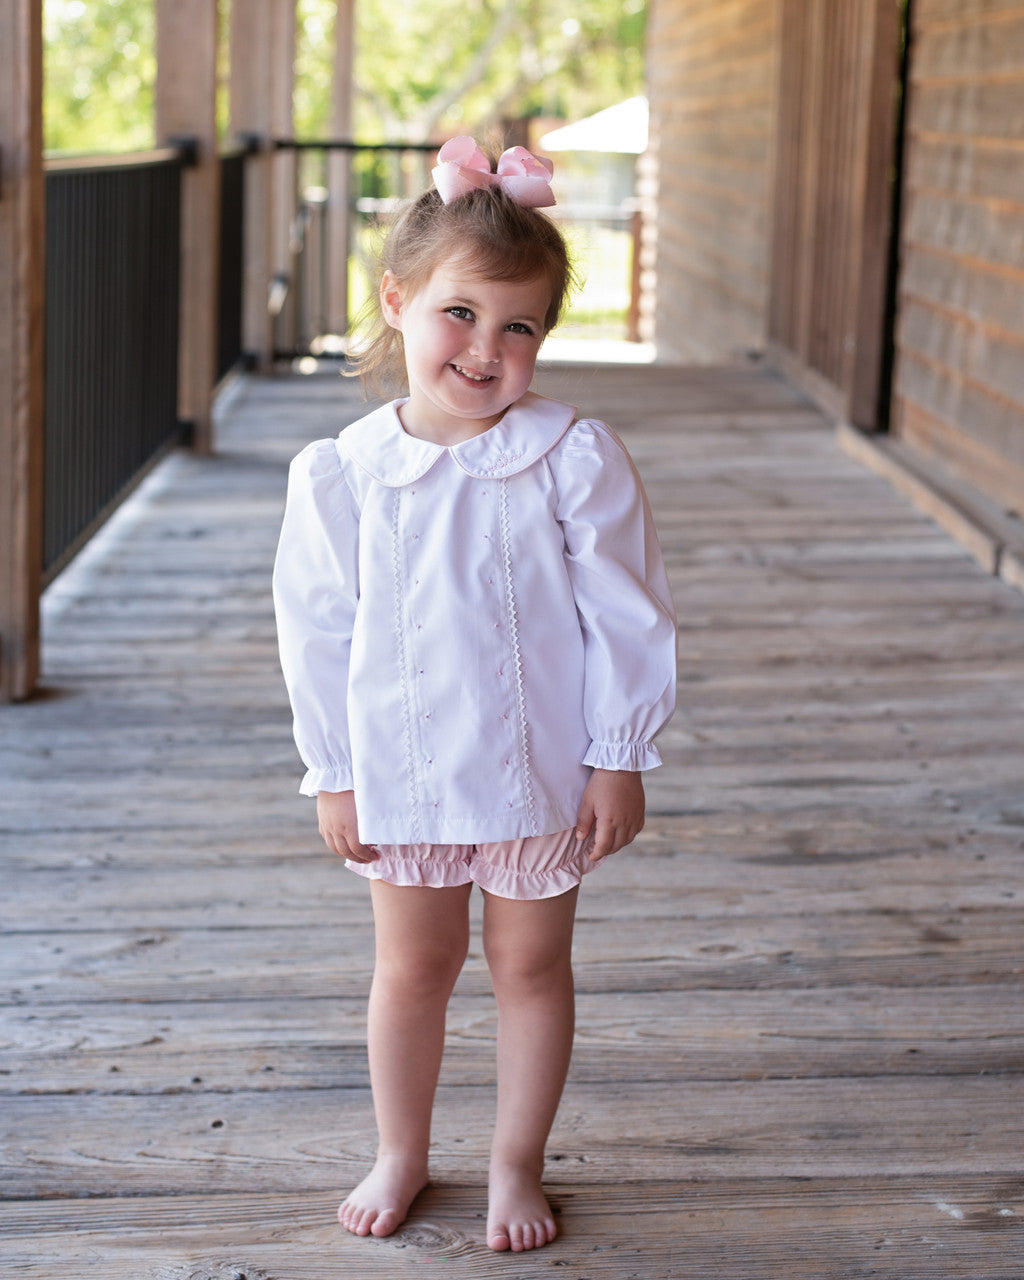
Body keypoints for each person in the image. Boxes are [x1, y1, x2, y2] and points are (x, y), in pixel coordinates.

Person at [273, 136, 677, 1253]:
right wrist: (335, 771)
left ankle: (514, 1157)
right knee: (412, 966)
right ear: (397, 300)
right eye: (460, 312)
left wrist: (618, 752)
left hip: (539, 773)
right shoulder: (345, 473)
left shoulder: (571, 457)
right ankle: (402, 1148)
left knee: (530, 966)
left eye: (519, 325)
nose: (485, 348)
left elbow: (625, 613)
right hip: (400, 775)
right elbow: (315, 631)